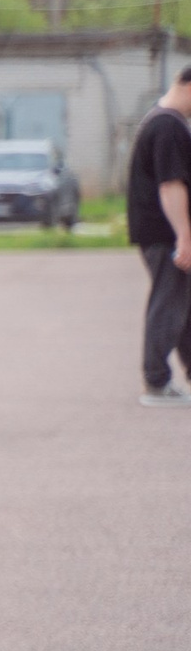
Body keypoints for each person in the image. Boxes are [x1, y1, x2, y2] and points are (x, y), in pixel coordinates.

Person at [126, 66, 191, 404]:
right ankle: (156, 381)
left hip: (164, 232)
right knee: (168, 303)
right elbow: (170, 185)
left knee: (183, 304)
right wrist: (184, 236)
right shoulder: (168, 126)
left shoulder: (162, 120)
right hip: (165, 233)